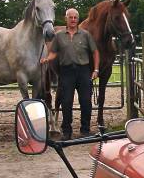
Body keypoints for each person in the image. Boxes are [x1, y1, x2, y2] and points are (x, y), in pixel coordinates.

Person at [41, 8, 100, 139]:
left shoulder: (86, 35)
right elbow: (54, 52)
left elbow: (95, 52)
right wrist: (47, 59)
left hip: (83, 71)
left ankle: (85, 130)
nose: (73, 20)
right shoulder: (59, 36)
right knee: (66, 101)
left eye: (75, 17)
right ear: (66, 19)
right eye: (70, 17)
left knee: (85, 101)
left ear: (78, 19)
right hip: (66, 72)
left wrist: (95, 69)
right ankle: (66, 131)